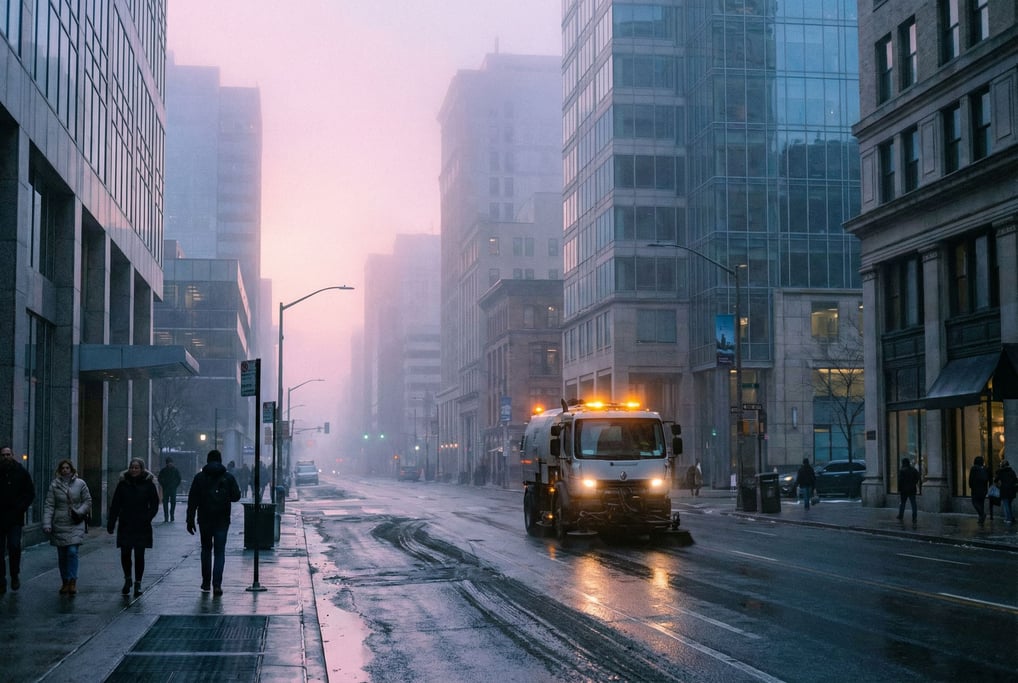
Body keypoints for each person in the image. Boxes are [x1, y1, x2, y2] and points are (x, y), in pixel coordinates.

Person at [186, 449, 241, 595]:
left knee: (206, 550)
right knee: (219, 552)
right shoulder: (228, 477)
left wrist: (189, 519)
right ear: (220, 460)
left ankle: (205, 582)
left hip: (204, 519)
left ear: (208, 460)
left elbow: (192, 500)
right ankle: (217, 585)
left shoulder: (200, 477)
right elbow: (236, 496)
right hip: (222, 519)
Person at [107, 458, 160, 596]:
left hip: (142, 524)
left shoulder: (148, 484)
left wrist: (147, 517)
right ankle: (127, 579)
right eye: (132, 467)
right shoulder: (123, 484)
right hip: (126, 523)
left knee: (139, 554)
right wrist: (111, 522)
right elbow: (116, 504)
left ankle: (138, 582)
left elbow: (154, 504)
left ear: (142, 469)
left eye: (137, 468)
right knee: (125, 553)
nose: (134, 470)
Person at [43, 459, 92, 595]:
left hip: (75, 522)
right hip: (59, 523)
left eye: (67, 468)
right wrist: (47, 523)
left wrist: (79, 511)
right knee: (62, 555)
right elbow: (49, 505)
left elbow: (87, 501)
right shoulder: (54, 486)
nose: (65, 470)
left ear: (71, 470)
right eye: (63, 468)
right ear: (59, 470)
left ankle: (72, 581)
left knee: (72, 552)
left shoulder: (80, 484)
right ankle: (64, 581)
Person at [0, 446, 35, 593]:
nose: (6, 457)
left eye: (8, 454)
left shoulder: (21, 472)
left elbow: (29, 493)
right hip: (0, 518)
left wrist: (20, 507)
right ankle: (1, 580)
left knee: (14, 546)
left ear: (12, 455)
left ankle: (14, 574)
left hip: (15, 518)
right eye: (3, 455)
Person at [157, 456, 182, 523]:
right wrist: (164, 484)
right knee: (166, 503)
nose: (170, 464)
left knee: (172, 502)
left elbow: (179, 479)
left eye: (171, 463)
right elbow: (160, 478)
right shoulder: (170, 470)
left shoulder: (174, 470)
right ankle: (167, 516)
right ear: (167, 463)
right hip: (168, 488)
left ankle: (171, 516)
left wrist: (173, 485)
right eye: (169, 463)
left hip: (170, 488)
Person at [897, 457, 920, 524]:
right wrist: (914, 483)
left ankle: (901, 515)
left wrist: (899, 489)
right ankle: (914, 516)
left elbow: (900, 481)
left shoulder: (902, 470)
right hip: (912, 489)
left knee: (903, 503)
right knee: (913, 503)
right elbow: (917, 477)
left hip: (904, 490)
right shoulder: (913, 469)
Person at [968, 456, 990, 524]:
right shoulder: (984, 469)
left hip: (975, 489)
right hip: (983, 489)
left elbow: (971, 478)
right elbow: (987, 479)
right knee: (981, 503)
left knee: (974, 502)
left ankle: (982, 514)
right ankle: (981, 519)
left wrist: (971, 486)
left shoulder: (974, 468)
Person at [995, 459, 1017, 525]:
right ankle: (1011, 518)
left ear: (1002, 465)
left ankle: (1008, 519)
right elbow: (1015, 480)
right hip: (1012, 490)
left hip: (1004, 490)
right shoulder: (1012, 471)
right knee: (1009, 504)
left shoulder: (1001, 472)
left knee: (1006, 505)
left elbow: (996, 480)